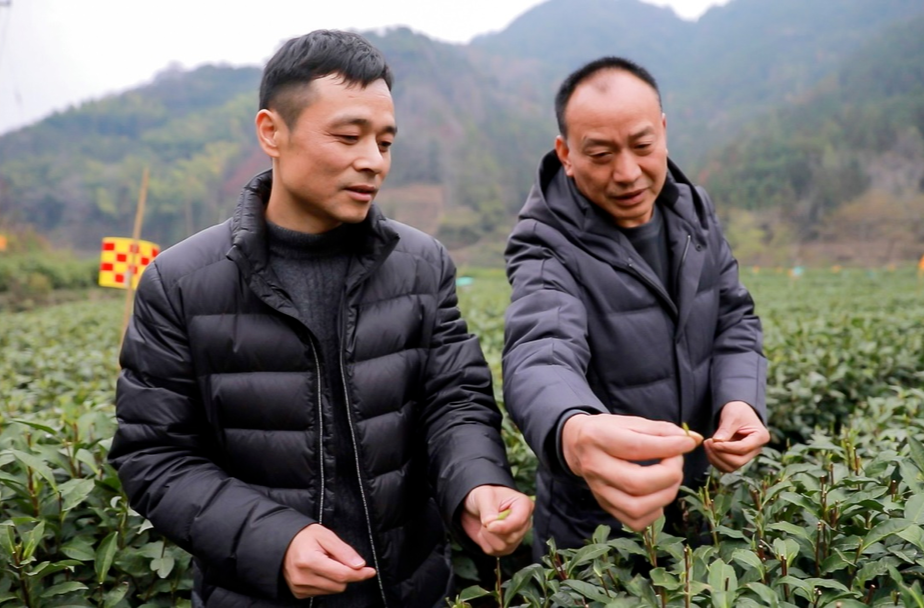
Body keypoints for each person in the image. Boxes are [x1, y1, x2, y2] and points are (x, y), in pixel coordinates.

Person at [109, 30, 532, 608]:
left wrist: (477, 484)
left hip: (409, 590)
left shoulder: (420, 264)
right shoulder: (180, 283)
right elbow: (154, 456)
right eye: (347, 137)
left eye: (385, 142)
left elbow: (454, 401)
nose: (372, 162)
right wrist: (273, 541)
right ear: (271, 132)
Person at [502, 56, 768, 559]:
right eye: (600, 154)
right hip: (595, 532)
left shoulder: (694, 211)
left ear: (663, 131)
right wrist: (574, 430)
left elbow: (734, 317)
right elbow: (540, 349)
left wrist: (739, 400)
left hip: (699, 506)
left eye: (643, 146)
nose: (627, 173)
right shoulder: (544, 242)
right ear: (566, 153)